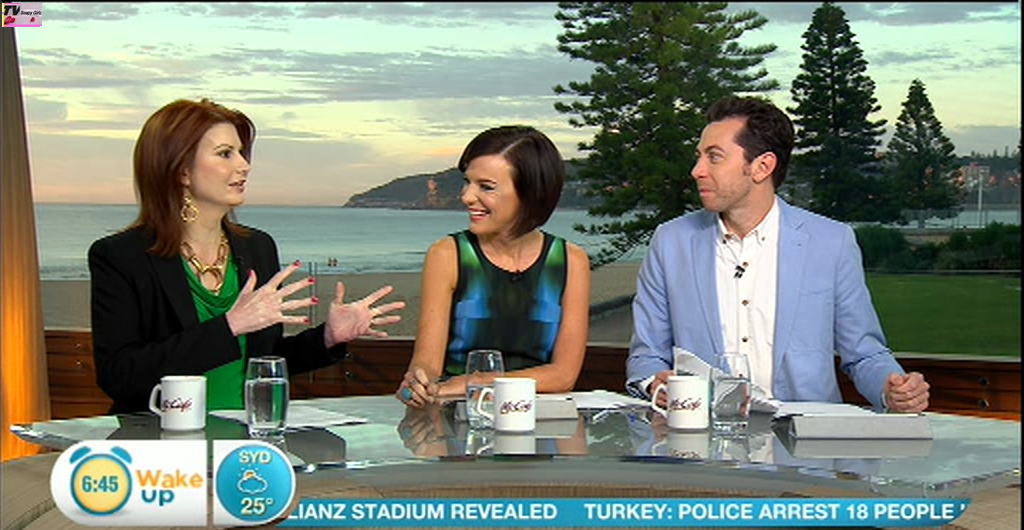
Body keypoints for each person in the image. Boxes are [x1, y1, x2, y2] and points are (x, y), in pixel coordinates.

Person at [89, 98, 405, 415]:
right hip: (162, 440)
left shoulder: (257, 247)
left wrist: (327, 337)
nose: (244, 165)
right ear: (181, 170)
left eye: (241, 152)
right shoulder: (121, 257)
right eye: (225, 153)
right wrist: (229, 326)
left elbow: (264, 359)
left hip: (249, 437)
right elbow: (119, 376)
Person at [625, 95, 930, 414]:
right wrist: (655, 384)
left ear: (762, 167)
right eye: (699, 157)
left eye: (714, 157)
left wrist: (892, 390)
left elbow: (864, 353)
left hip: (807, 437)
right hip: (705, 436)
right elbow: (647, 356)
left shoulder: (832, 243)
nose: (696, 170)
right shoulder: (670, 243)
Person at [396, 126, 591, 407]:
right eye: (467, 183)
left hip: (537, 419)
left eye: (486, 187)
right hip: (457, 418)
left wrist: (474, 383)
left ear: (530, 193)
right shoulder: (447, 255)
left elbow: (563, 376)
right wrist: (419, 382)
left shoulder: (571, 261)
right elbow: (427, 363)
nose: (466, 197)